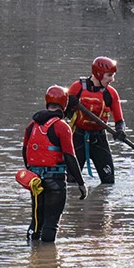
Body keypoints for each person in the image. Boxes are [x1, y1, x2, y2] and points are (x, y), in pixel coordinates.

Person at [22, 86, 88, 242]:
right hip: (56, 182)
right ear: (64, 104)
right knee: (51, 225)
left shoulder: (31, 126)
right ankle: (46, 261)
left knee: (36, 222)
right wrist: (81, 183)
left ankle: (32, 253)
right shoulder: (62, 127)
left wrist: (31, 173)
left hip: (35, 182)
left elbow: (25, 153)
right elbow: (70, 157)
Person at [66, 56, 126, 184]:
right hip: (78, 137)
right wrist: (69, 105)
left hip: (99, 139)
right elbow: (63, 115)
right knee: (71, 183)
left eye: (113, 75)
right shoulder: (77, 88)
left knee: (109, 182)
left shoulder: (111, 93)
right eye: (109, 75)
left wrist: (120, 130)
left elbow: (119, 120)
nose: (112, 79)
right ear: (99, 73)